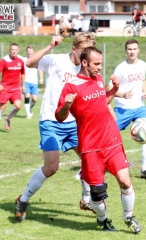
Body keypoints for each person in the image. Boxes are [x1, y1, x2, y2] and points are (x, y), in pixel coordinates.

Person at [55, 46, 141, 234]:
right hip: (90, 147)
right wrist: (67, 104)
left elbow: (103, 100)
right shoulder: (71, 86)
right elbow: (60, 117)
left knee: (125, 182)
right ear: (84, 63)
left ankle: (129, 217)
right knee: (97, 193)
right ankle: (102, 219)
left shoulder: (99, 80)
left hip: (112, 141)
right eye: (96, 64)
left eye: (101, 63)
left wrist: (115, 89)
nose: (100, 68)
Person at [14, 33, 96, 222]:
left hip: (74, 122)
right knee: (51, 167)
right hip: (51, 120)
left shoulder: (86, 69)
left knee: (88, 159)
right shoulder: (56, 60)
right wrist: (50, 45)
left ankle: (86, 200)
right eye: (83, 52)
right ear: (74, 48)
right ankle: (23, 199)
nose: (85, 57)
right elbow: (29, 62)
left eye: (88, 53)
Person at [107, 39, 146, 180]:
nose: (132, 51)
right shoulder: (120, 68)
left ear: (138, 50)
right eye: (129, 49)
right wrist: (123, 94)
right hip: (123, 108)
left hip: (140, 107)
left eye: (134, 49)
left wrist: (145, 92)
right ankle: (105, 162)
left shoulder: (143, 65)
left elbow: (142, 80)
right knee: (108, 133)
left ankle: (145, 169)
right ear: (125, 51)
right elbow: (109, 88)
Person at [0, 43, 25, 130]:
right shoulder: (4, 60)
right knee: (2, 106)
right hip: (5, 87)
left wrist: (23, 85)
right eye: (12, 49)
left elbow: (22, 73)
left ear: (18, 50)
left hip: (15, 88)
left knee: (18, 106)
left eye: (15, 50)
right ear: (9, 50)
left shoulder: (21, 60)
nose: (14, 51)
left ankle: (7, 118)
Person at [23, 45, 44, 119]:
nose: (29, 53)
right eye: (28, 51)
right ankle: (28, 114)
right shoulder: (24, 60)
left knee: (35, 99)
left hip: (34, 82)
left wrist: (41, 78)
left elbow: (40, 69)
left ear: (33, 52)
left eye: (31, 51)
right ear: (27, 52)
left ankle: (29, 108)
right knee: (27, 97)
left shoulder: (36, 60)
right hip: (26, 81)